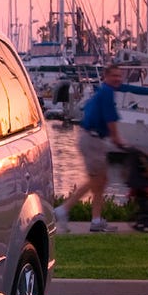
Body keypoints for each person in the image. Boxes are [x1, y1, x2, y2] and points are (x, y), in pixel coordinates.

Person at [54, 63, 128, 232]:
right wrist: (119, 141)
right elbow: (111, 122)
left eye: (119, 75)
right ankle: (63, 210)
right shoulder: (107, 93)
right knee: (97, 180)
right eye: (114, 75)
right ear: (106, 77)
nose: (118, 78)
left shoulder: (103, 92)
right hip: (92, 139)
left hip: (92, 139)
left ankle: (95, 220)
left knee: (100, 181)